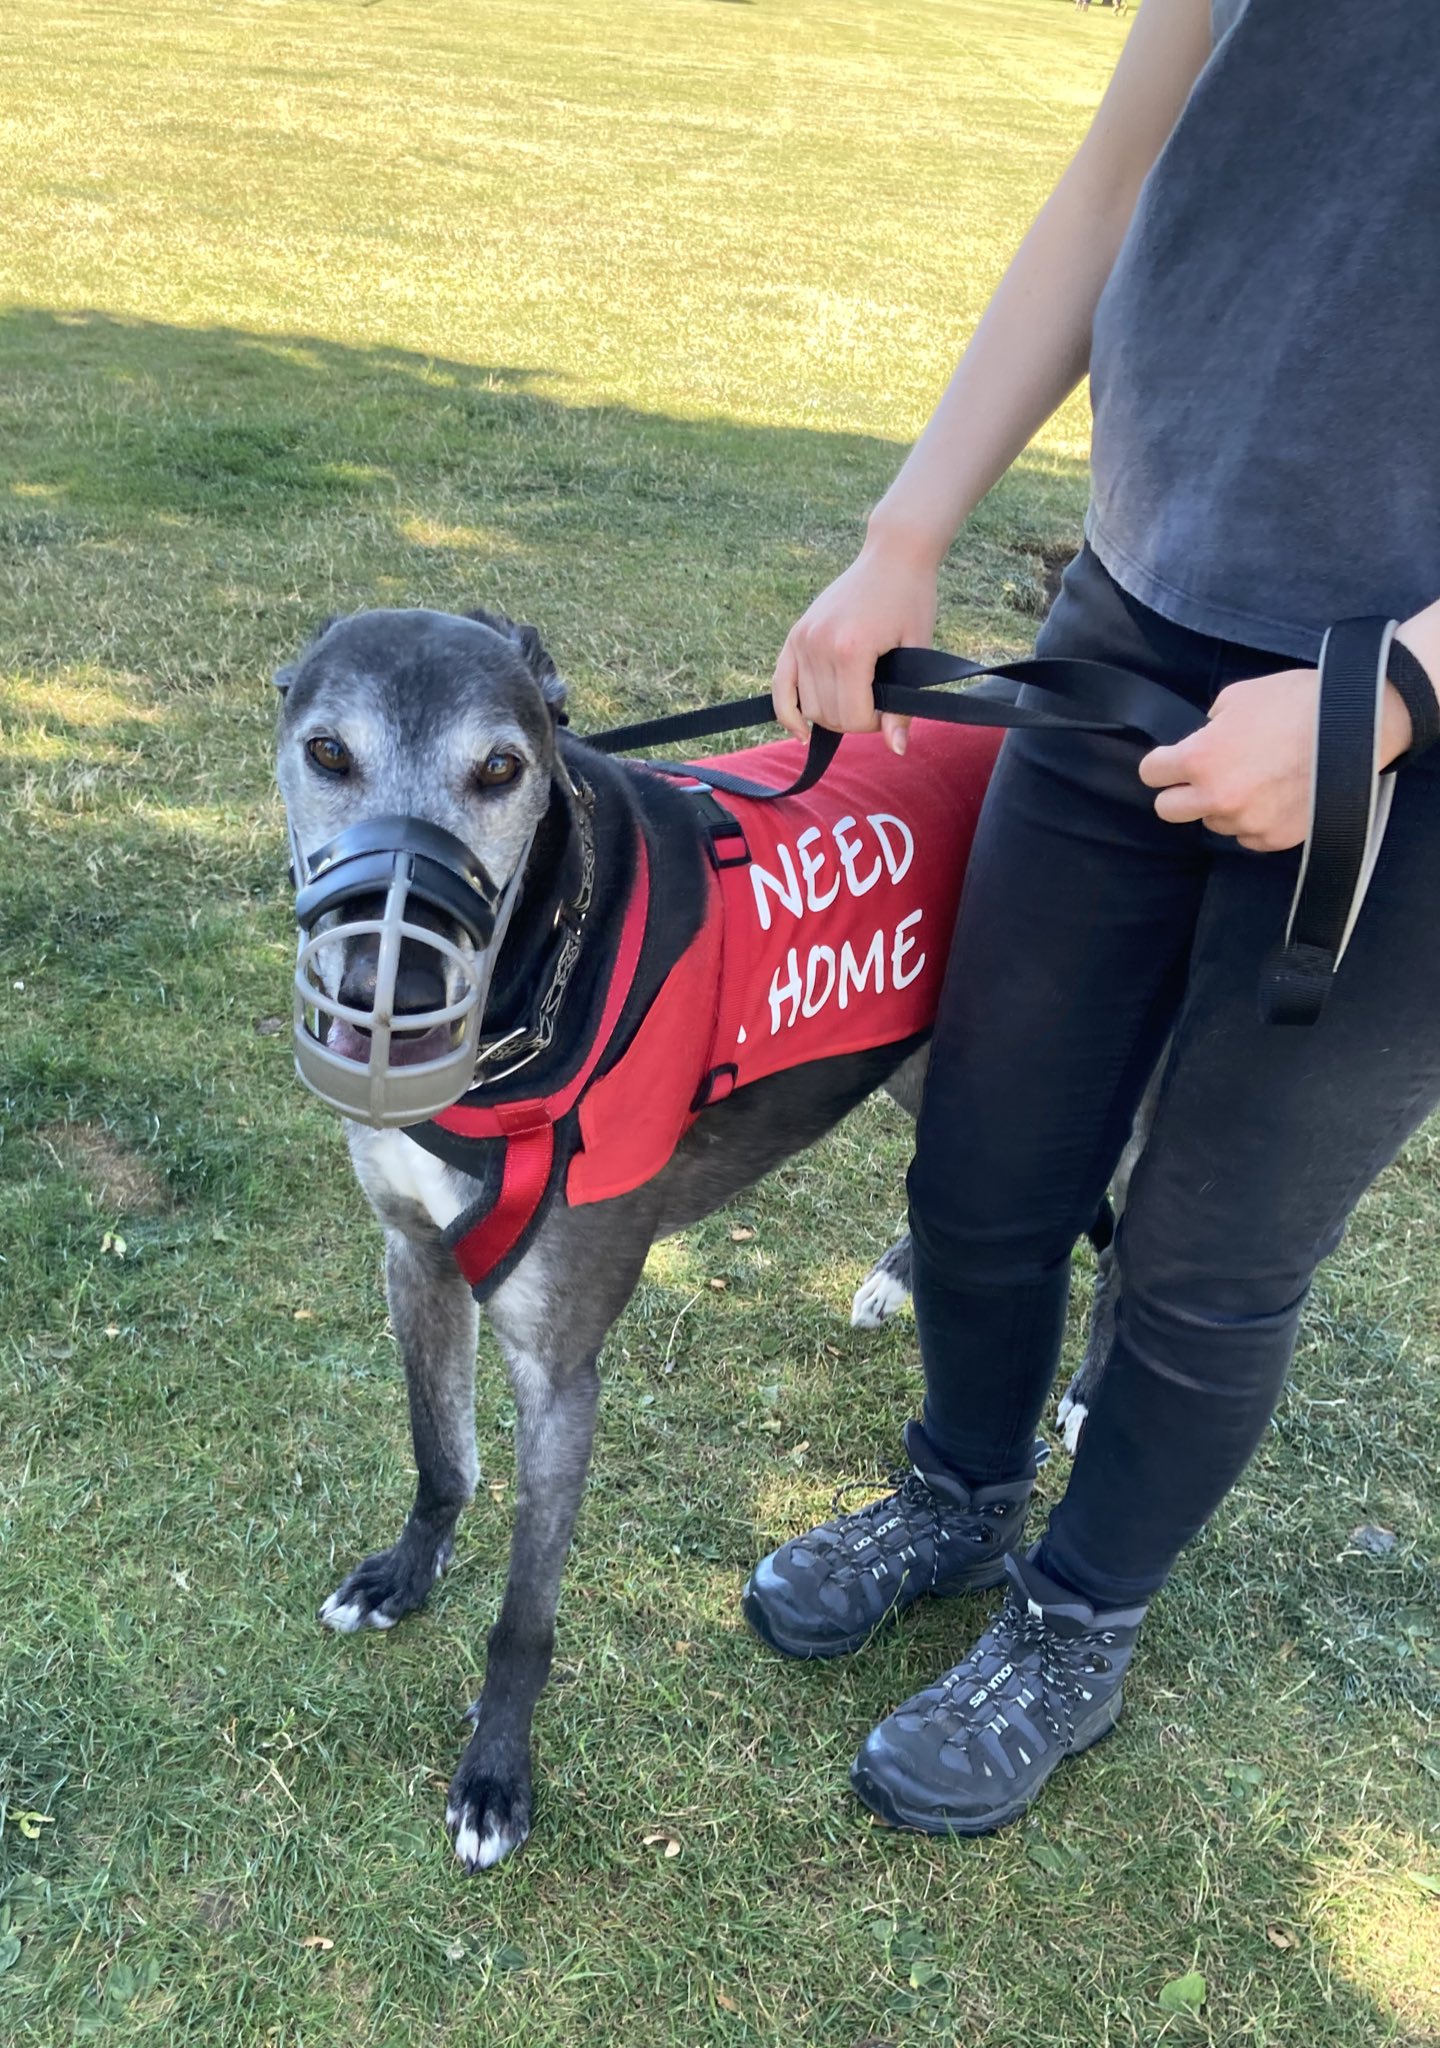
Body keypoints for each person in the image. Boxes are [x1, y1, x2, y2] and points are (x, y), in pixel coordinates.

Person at [741, 0, 1440, 1836]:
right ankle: (961, 1497)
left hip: (1415, 739)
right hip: (1133, 622)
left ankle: (1075, 1622)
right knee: (984, 1161)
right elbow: (1112, 185)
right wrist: (906, 534)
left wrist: (1398, 695)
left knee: (1212, 1256)